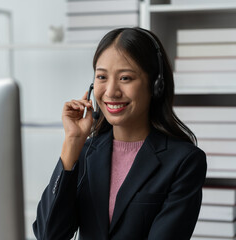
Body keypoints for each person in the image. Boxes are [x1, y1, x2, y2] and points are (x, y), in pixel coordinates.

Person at [33, 27, 207, 240]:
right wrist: (72, 142)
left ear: (156, 85)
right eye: (102, 77)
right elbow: (48, 235)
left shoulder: (184, 161)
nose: (111, 91)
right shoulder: (85, 152)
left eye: (125, 78)